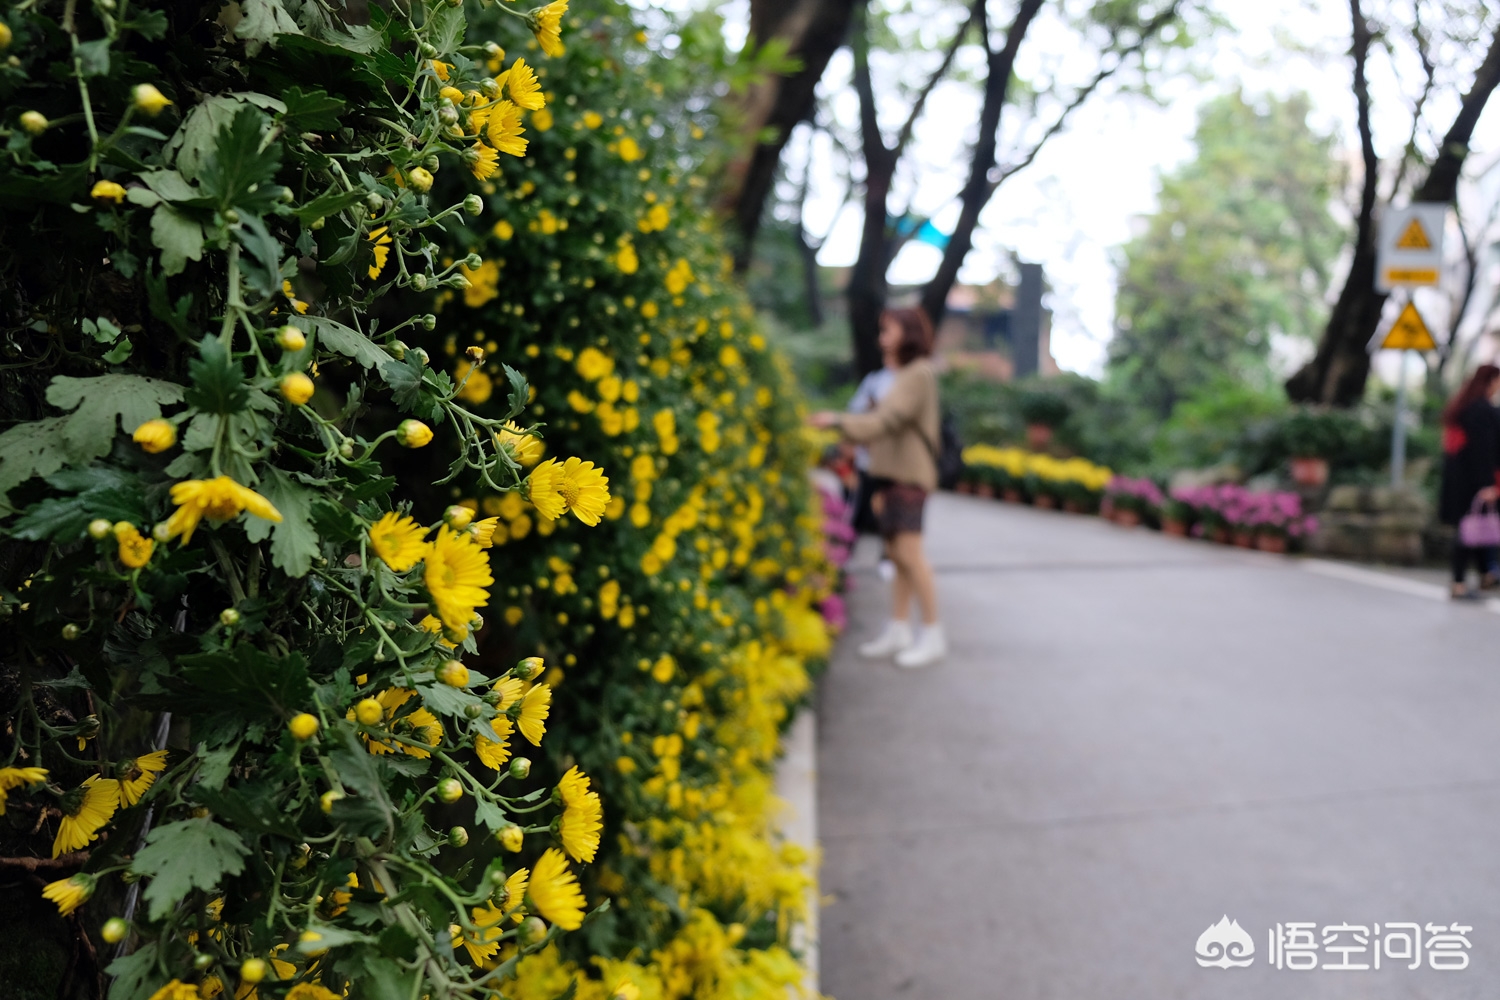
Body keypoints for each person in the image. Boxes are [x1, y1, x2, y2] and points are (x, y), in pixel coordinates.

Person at [810, 307, 944, 667]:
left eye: (890, 328)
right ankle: (899, 627)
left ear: (908, 332)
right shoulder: (894, 375)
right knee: (897, 556)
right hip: (887, 474)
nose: (882, 334)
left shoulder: (918, 374)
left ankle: (932, 634)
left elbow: (887, 420)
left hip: (910, 476)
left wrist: (837, 420)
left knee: (911, 556)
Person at [1438, 363, 1500, 599]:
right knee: (1470, 532)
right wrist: (1487, 484)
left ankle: (1487, 574)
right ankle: (1459, 583)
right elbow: (1483, 451)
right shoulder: (1481, 410)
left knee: (1482, 531)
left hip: (1461, 482)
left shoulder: (1464, 408)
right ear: (1491, 381)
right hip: (1475, 484)